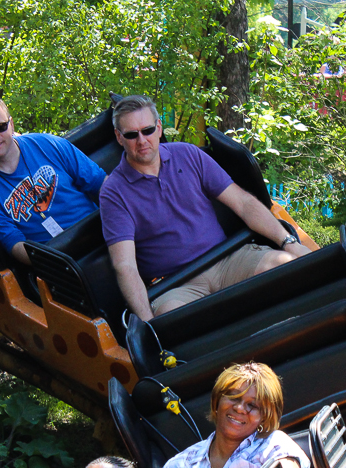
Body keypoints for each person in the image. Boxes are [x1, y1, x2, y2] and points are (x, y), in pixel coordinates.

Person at [99, 95, 312, 321]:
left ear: (159, 128)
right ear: (119, 138)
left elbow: (243, 203)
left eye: (147, 130)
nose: (142, 140)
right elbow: (125, 266)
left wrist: (288, 243)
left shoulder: (188, 154)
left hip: (227, 260)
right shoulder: (114, 192)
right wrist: (148, 326)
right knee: (174, 319)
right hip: (175, 284)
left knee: (287, 268)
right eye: (132, 134)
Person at [0, 97, 107, 265]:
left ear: (11, 124)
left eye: (1, 127)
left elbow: (102, 183)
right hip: (55, 259)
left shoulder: (46, 144)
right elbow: (15, 244)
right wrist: (53, 266)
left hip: (99, 231)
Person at [162, 362, 310, 468]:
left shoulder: (273, 445)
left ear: (264, 417)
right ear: (217, 401)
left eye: (252, 405)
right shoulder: (182, 464)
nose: (239, 408)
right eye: (234, 398)